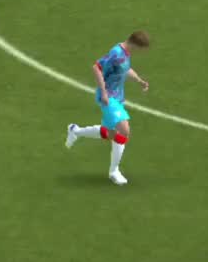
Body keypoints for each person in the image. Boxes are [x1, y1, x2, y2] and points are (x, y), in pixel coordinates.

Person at [63, 31, 151, 186]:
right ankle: (114, 172)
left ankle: (75, 131)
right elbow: (96, 67)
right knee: (124, 130)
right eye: (140, 49)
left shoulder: (126, 53)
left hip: (118, 98)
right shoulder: (116, 53)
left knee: (110, 133)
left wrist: (139, 80)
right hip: (109, 98)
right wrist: (103, 92)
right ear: (135, 44)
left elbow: (125, 69)